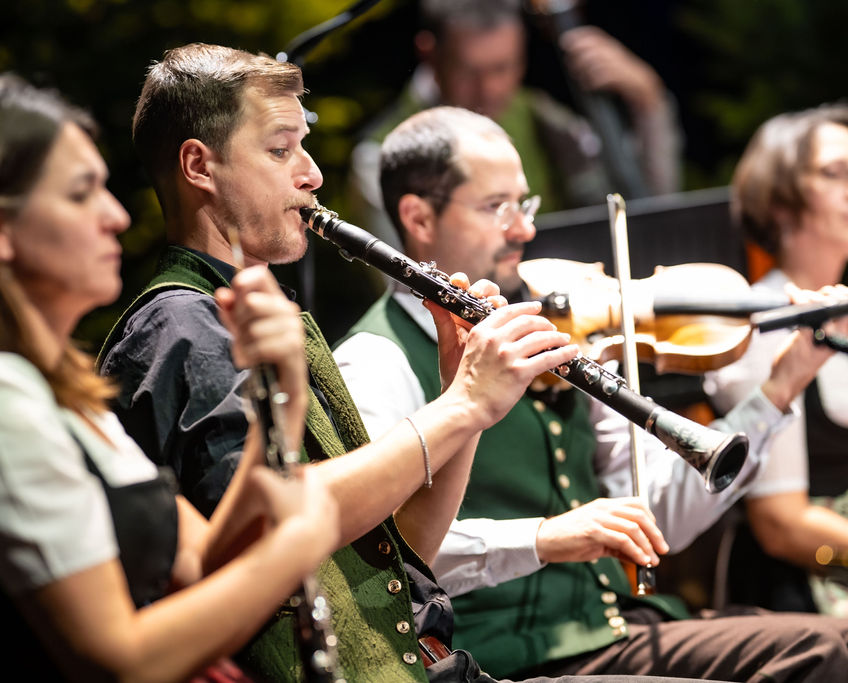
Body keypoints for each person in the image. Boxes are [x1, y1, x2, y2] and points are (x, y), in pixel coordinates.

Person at [99, 42, 724, 683]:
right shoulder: (184, 325)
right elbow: (270, 533)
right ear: (199, 165)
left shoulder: (262, 317)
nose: (312, 174)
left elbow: (403, 558)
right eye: (281, 150)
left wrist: (462, 400)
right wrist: (463, 406)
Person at [334, 104, 848, 681]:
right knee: (823, 651)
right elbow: (377, 555)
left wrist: (781, 387)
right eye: (495, 206)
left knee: (829, 644)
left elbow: (662, 517)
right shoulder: (376, 359)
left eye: (524, 204)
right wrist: (542, 538)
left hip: (618, 629)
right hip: (502, 657)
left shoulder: (555, 327)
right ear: (419, 218)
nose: (524, 229)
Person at [0, 73, 344, 683]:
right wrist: (297, 547)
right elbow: (120, 661)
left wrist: (281, 399)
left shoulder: (62, 396)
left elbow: (201, 564)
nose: (117, 216)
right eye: (81, 194)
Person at [346, 0, 681, 249]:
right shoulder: (379, 159)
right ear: (429, 54)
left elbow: (643, 213)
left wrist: (649, 103)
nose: (489, 89)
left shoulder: (544, 119)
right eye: (469, 71)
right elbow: (405, 287)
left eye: (503, 68)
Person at [704, 104, 848, 615]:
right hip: (803, 597)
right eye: (835, 172)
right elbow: (782, 525)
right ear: (779, 201)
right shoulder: (762, 328)